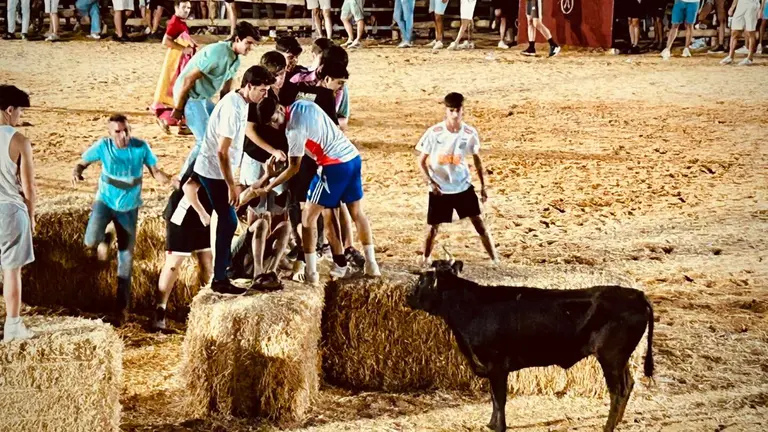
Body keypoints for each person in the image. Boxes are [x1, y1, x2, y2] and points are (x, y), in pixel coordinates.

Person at [249, 97, 381, 284]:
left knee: (308, 218)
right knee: (351, 212)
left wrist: (268, 186)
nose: (274, 125)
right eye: (269, 123)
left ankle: (311, 273)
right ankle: (369, 263)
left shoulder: (293, 130)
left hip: (332, 165)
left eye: (274, 119)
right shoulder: (302, 104)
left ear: (280, 108)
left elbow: (294, 167)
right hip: (351, 157)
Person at [72, 114, 176, 326]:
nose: (123, 135)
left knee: (125, 261)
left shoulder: (141, 147)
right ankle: (104, 238)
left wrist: (170, 180)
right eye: (118, 131)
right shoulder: (103, 146)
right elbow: (82, 162)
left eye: (126, 130)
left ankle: (121, 310)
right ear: (110, 134)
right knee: (90, 241)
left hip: (129, 208)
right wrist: (77, 171)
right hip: (105, 201)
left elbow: (155, 171)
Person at [192, 66, 274, 295]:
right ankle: (221, 277)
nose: (265, 95)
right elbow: (221, 151)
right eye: (262, 90)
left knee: (229, 220)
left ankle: (221, 274)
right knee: (228, 221)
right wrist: (231, 185)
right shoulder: (232, 107)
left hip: (216, 168)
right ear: (249, 86)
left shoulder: (241, 102)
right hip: (213, 170)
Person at [415, 93, 498, 266]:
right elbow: (421, 161)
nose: (454, 114)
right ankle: (425, 257)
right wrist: (431, 182)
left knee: (479, 222)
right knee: (433, 227)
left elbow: (477, 160)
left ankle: (494, 258)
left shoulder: (469, 133)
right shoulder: (434, 132)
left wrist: (483, 186)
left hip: (462, 185)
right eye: (451, 110)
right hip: (440, 187)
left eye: (457, 110)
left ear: (462, 110)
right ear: (446, 110)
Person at [172, 21, 260, 178]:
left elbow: (226, 90)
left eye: (252, 44)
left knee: (218, 131)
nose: (250, 48)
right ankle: (183, 177)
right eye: (248, 43)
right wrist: (179, 108)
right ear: (237, 39)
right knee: (203, 140)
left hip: (202, 97)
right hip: (190, 95)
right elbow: (188, 80)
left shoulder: (235, 59)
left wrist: (223, 112)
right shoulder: (217, 52)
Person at [153, 174, 212, 331]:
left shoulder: (231, 159)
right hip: (184, 212)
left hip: (206, 210)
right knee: (173, 264)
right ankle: (160, 313)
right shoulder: (207, 157)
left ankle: (208, 312)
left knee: (207, 262)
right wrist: (202, 214)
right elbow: (187, 186)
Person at [0, 85, 36, 342]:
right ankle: (13, 326)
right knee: (11, 270)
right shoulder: (20, 141)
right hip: (10, 211)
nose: (20, 116)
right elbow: (29, 187)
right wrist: (31, 215)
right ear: (9, 110)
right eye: (20, 111)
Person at [229, 156, 291, 291]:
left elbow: (287, 263)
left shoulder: (273, 212)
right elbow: (245, 196)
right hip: (237, 257)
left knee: (286, 226)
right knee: (261, 223)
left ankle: (271, 272)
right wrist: (265, 178)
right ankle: (258, 274)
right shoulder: (236, 202)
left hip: (257, 255)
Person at [153, 0, 197, 135]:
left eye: (188, 8)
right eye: (183, 7)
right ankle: (172, 121)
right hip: (177, 61)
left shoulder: (179, 22)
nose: (186, 10)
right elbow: (165, 41)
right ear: (176, 7)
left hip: (179, 60)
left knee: (179, 90)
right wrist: (184, 49)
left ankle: (179, 123)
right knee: (179, 90)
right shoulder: (175, 22)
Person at [721, 0, 761, 65]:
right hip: (741, 4)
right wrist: (732, 7)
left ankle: (749, 58)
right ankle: (730, 56)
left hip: (752, 5)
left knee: (750, 32)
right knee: (734, 31)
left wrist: (760, 9)